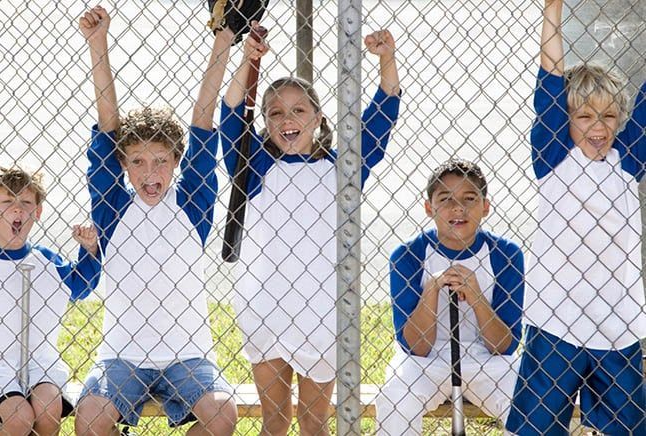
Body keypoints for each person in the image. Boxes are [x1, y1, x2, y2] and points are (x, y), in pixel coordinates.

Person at [219, 24, 401, 435]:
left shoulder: (342, 167)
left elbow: (382, 115)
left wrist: (386, 60)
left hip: (322, 312)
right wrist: (248, 62)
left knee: (315, 423)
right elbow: (229, 115)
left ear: (318, 118)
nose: (287, 119)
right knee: (275, 422)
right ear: (265, 121)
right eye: (276, 112)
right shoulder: (255, 166)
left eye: (299, 110)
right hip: (265, 308)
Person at [73, 6, 237, 435]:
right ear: (123, 165)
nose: (150, 174)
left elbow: (203, 122)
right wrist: (98, 44)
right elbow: (109, 127)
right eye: (138, 162)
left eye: (162, 162)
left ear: (177, 163)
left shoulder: (192, 205)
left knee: (221, 416)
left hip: (188, 355)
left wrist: (223, 43)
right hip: (122, 355)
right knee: (90, 420)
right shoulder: (112, 208)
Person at [506, 1, 646, 434]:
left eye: (608, 115)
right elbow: (550, 73)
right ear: (566, 120)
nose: (597, 126)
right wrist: (553, 8)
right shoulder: (554, 158)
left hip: (617, 324)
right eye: (584, 116)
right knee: (535, 427)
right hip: (557, 322)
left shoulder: (628, 162)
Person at [376, 159, 524, 435]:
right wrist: (431, 290)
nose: (458, 208)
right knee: (396, 398)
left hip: (487, 359)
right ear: (429, 208)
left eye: (469, 198)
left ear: (486, 207)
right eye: (446, 199)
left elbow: (504, 346)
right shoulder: (408, 254)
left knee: (527, 402)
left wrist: (477, 296)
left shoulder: (506, 254)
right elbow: (415, 347)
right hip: (425, 361)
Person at [0, 167, 100, 436]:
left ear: (37, 212)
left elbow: (81, 287)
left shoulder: (46, 260)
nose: (17, 210)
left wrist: (89, 250)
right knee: (20, 417)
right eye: (7, 202)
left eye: (25, 203)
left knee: (49, 408)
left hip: (39, 362)